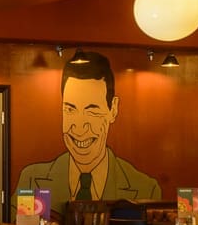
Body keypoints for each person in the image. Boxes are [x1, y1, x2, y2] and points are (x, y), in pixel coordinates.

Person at [14, 50, 159, 209]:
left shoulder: (146, 188)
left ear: (113, 110)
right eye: (70, 109)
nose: (79, 127)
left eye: (92, 111)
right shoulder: (32, 179)